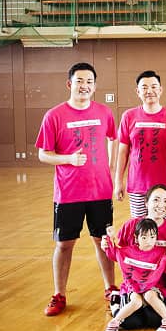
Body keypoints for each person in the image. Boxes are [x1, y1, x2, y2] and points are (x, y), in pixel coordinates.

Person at [36, 62, 117, 317]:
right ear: (69, 84)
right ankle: (59, 294)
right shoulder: (54, 116)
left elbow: (113, 138)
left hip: (100, 192)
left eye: (89, 82)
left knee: (103, 242)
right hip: (68, 193)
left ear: (95, 86)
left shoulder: (104, 112)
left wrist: (111, 167)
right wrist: (68, 159)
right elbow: (43, 154)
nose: (84, 86)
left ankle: (111, 289)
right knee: (64, 244)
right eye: (80, 81)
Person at [110, 184, 166, 329]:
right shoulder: (130, 226)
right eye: (156, 200)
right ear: (146, 202)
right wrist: (107, 244)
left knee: (154, 320)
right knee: (131, 322)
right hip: (135, 285)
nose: (161, 205)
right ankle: (116, 301)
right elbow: (120, 256)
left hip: (159, 288)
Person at [113, 70, 166, 218]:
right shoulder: (128, 116)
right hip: (137, 186)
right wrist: (118, 181)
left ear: (160, 90)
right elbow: (122, 152)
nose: (149, 91)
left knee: (163, 227)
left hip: (164, 187)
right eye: (144, 87)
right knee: (140, 228)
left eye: (153, 86)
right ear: (138, 91)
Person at [102, 218, 166, 331]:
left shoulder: (161, 253)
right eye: (144, 237)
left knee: (150, 295)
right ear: (136, 238)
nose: (148, 241)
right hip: (133, 287)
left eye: (152, 237)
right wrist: (109, 239)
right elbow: (113, 253)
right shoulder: (127, 251)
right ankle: (115, 322)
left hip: (153, 287)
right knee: (136, 302)